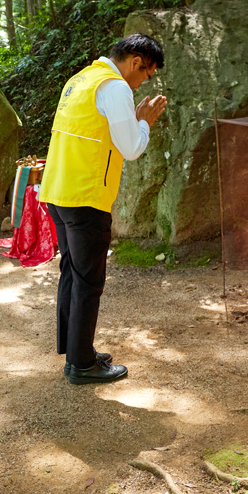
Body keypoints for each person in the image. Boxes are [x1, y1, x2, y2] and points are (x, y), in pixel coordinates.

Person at [38, 34, 168, 385]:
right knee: (88, 281)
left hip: (57, 191)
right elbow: (131, 148)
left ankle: (76, 352)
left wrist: (133, 117)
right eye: (147, 73)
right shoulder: (114, 87)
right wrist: (144, 122)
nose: (143, 82)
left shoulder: (80, 79)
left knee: (73, 273)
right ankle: (81, 364)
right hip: (86, 197)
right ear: (137, 60)